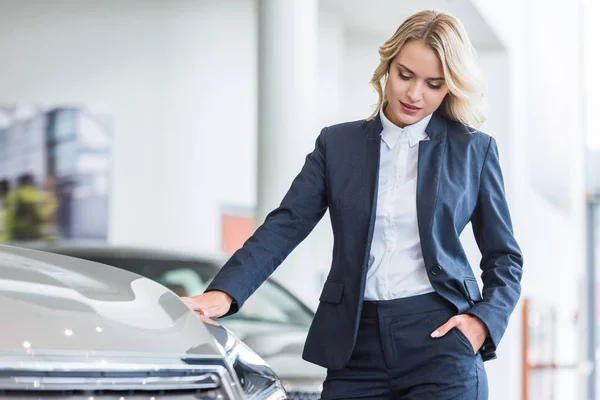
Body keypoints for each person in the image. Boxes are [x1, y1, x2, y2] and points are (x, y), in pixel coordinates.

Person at [182, 9, 522, 399]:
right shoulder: (337, 145)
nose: (414, 94)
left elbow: (505, 258)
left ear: (451, 87)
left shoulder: (473, 150)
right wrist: (225, 293)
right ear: (387, 66)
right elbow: (286, 224)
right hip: (356, 342)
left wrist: (482, 322)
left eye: (434, 84)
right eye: (405, 75)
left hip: (442, 341)